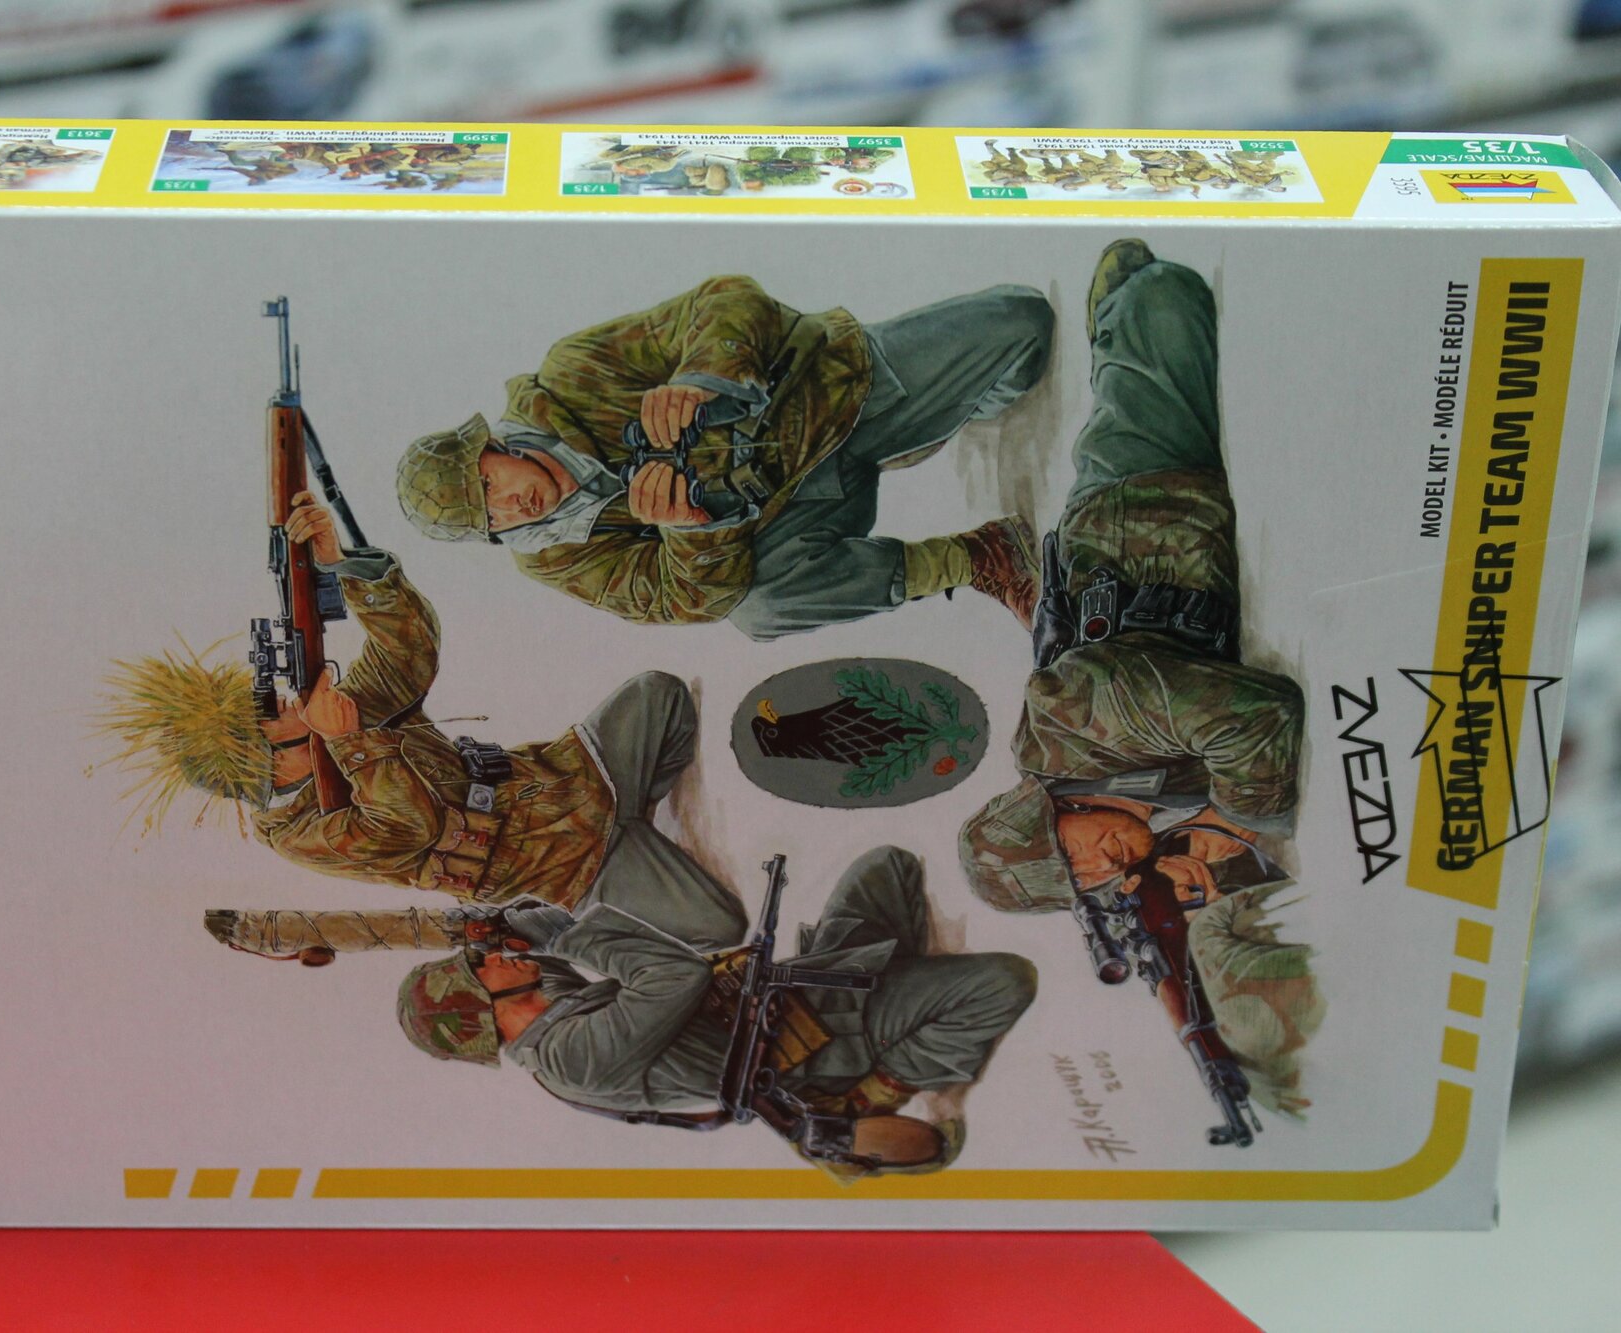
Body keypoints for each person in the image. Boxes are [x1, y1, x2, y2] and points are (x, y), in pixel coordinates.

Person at [955, 240, 1318, 1114]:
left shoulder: (1070, 722)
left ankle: (1114, 317)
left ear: (1051, 808)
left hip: (1149, 502)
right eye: (1090, 887)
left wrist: (1236, 816)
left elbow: (1257, 718)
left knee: (1167, 295)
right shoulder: (1129, 808)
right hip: (1197, 558)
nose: (1108, 868)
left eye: (1076, 857)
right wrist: (1212, 868)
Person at [99, 492, 744, 949]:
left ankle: (644, 822)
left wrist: (345, 566)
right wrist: (352, 743)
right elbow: (411, 827)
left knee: (658, 692)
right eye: (269, 717)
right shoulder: (298, 832)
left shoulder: (331, 718)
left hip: (569, 777)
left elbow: (408, 653)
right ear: (266, 761)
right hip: (567, 865)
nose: (287, 703)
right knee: (719, 926)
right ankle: (605, 901)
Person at [393, 274, 1048, 640]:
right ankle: (981, 556)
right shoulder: (556, 556)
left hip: (830, 395)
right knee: (761, 611)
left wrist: (701, 379)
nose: (513, 505)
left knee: (1025, 327)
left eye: (490, 484)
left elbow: (727, 300)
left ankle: (935, 417)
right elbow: (683, 601)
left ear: (495, 447)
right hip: (796, 513)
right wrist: (690, 531)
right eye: (493, 519)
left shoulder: (573, 375)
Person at [384, 845, 1036, 1176]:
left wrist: (513, 922)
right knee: (1001, 981)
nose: (494, 958)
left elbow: (543, 945)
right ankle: (883, 1082)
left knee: (887, 866)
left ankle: (905, 994)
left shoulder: (547, 1011)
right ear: (486, 1008)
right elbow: (676, 975)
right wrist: (571, 935)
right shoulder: (571, 1058)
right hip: (812, 1049)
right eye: (482, 968)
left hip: (787, 1000)